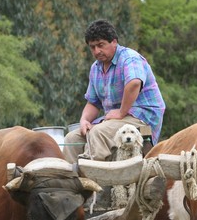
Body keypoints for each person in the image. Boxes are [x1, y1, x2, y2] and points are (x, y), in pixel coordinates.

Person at [63, 19, 166, 163]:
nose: (97, 51)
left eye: (101, 45)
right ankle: (74, 181)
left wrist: (121, 112)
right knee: (71, 139)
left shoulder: (129, 58)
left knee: (98, 133)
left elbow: (134, 83)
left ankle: (96, 177)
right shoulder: (95, 68)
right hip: (114, 120)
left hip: (142, 116)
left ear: (114, 42)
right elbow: (93, 102)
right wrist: (84, 120)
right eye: (92, 47)